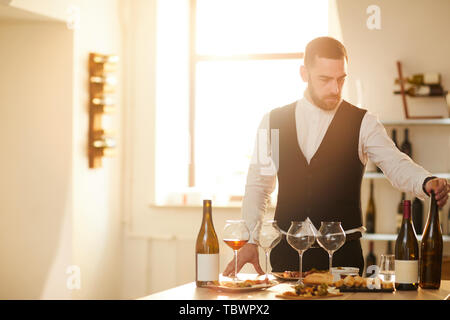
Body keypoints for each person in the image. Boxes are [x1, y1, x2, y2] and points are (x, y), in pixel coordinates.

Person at [223, 36, 449, 277]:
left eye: (341, 80)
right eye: (325, 79)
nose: (335, 89)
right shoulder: (271, 122)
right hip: (287, 259)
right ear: (304, 73)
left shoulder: (363, 122)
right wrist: (250, 240)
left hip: (343, 261)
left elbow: (395, 163)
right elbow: (258, 185)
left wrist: (425, 182)